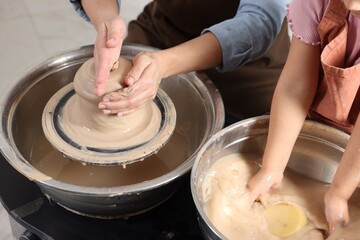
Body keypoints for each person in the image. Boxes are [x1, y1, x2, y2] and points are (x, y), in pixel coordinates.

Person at [247, 0, 360, 235]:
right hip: (312, 118)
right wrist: (271, 168)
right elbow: (295, 87)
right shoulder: (319, 3)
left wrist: (339, 192)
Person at [70, 0, 290, 120]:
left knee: (270, 133)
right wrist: (106, 19)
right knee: (111, 103)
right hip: (164, 30)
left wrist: (163, 64)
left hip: (250, 60)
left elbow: (260, 21)